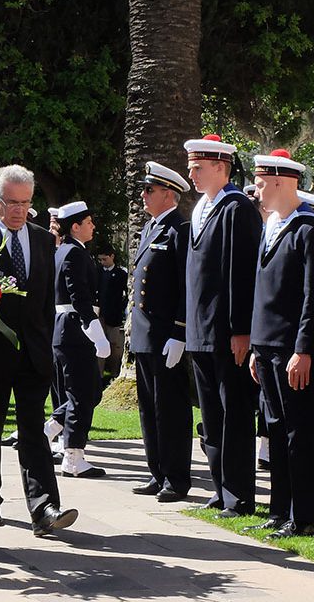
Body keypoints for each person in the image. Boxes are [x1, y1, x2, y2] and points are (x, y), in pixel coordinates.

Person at [0, 165, 78, 536]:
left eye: (25, 202)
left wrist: (48, 347)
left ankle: (44, 508)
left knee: (33, 431)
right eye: (12, 202)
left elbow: (43, 303)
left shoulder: (41, 240)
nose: (19, 210)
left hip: (34, 355)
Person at [247, 150, 314, 539]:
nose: (258, 189)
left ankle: (306, 512)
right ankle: (280, 508)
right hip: (267, 346)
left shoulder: (309, 228)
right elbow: (261, 291)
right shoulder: (273, 225)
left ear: (283, 182)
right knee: (276, 429)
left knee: (299, 430)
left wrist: (304, 349)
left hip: (292, 348)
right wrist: (255, 345)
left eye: (263, 183)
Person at [182, 134, 262, 517]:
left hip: (228, 332)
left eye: (198, 167)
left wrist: (241, 329)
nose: (191, 173)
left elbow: (241, 274)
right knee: (212, 415)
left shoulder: (236, 208)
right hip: (200, 331)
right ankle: (220, 487)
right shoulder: (202, 207)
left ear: (220, 167)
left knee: (235, 413)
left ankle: (240, 493)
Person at [129, 161, 193, 501]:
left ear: (169, 195)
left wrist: (180, 332)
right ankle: (157, 471)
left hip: (166, 334)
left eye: (149, 190)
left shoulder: (179, 231)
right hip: (145, 334)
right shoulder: (151, 229)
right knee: (149, 408)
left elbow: (186, 285)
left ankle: (176, 478)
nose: (143, 194)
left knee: (170, 410)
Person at [49, 201, 110, 478]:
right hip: (75, 329)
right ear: (75, 226)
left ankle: (48, 431)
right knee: (82, 393)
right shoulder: (73, 253)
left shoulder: (65, 251)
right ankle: (73, 458)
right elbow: (79, 298)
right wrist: (96, 333)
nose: (93, 227)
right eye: (88, 222)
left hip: (69, 329)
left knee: (87, 392)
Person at [95, 242, 127, 379]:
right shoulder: (97, 273)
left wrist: (121, 307)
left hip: (114, 316)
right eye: (100, 260)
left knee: (115, 347)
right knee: (99, 346)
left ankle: (115, 374)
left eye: (105, 259)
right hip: (99, 315)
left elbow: (126, 293)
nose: (102, 262)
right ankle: (99, 376)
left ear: (112, 256)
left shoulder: (120, 274)